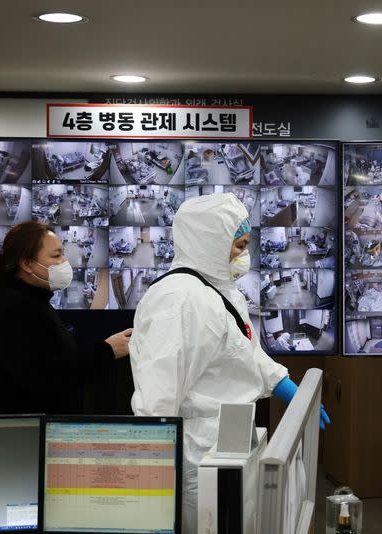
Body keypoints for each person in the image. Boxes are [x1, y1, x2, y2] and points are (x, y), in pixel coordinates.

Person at [128, 193, 329, 534]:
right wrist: (154, 485)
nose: (244, 255)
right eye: (239, 245)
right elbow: (156, 403)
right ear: (209, 241)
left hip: (228, 443)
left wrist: (283, 384)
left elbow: (242, 349)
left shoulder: (219, 289)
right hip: (194, 461)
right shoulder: (175, 299)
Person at [0, 221, 131, 416]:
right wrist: (107, 350)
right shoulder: (15, 307)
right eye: (56, 255)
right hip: (21, 432)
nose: (64, 262)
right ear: (27, 264)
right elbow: (49, 376)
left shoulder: (24, 299)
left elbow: (7, 362)